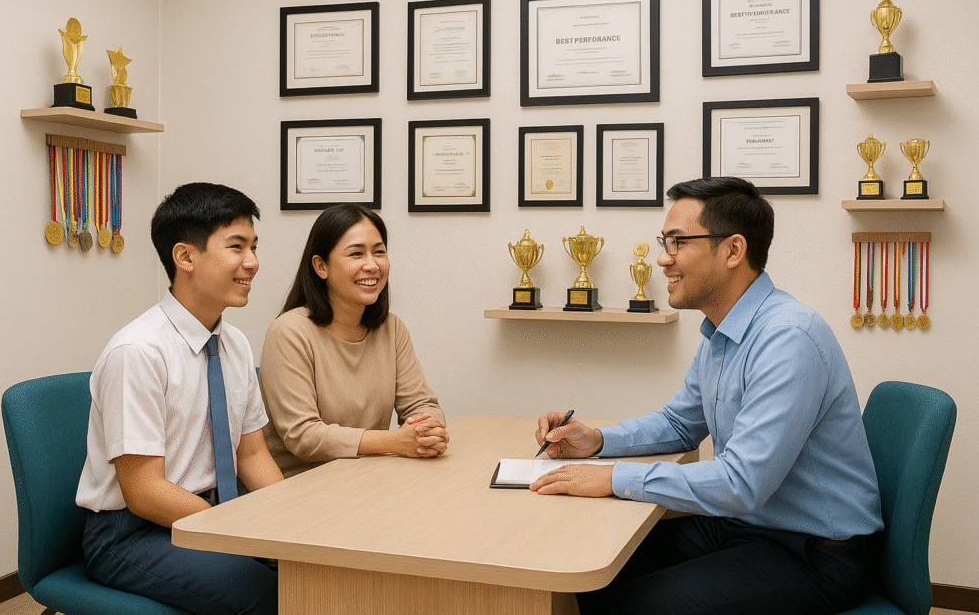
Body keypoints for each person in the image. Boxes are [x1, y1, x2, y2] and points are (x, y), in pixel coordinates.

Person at [531, 177, 883, 615]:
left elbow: (741, 483)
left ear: (734, 250)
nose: (662, 259)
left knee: (628, 605)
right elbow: (680, 424)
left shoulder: (789, 338)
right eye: (664, 242)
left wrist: (611, 477)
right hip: (746, 525)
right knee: (588, 565)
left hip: (813, 551)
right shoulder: (722, 332)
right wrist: (598, 440)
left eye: (677, 243)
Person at [75, 182, 282, 615]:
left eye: (254, 247)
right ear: (185, 257)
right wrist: (239, 530)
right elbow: (145, 492)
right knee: (271, 594)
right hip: (131, 532)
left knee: (317, 570)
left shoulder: (234, 343)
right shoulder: (137, 352)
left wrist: (290, 522)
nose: (253, 263)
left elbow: (253, 454)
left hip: (210, 512)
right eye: (237, 247)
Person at [259, 203, 448, 477]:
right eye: (356, 254)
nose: (372, 265)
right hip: (300, 486)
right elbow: (303, 436)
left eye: (379, 252)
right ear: (320, 266)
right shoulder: (289, 331)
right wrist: (395, 441)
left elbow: (421, 403)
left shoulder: (391, 328)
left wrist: (428, 429)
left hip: (367, 477)